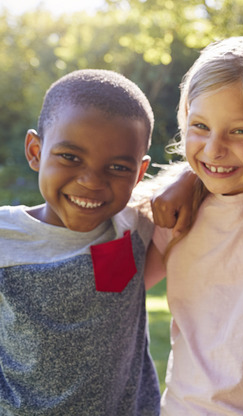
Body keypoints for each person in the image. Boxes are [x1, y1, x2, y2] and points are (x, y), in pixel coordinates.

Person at [143, 37, 243, 415]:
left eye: (240, 131)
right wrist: (186, 179)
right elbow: (115, 292)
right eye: (200, 126)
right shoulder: (172, 210)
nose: (213, 149)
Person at [0, 69, 160, 414]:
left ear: (140, 172)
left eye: (117, 167)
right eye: (70, 157)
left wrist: (178, 187)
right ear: (35, 151)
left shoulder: (134, 225)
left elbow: (201, 180)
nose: (91, 182)